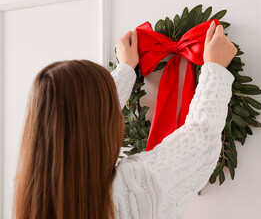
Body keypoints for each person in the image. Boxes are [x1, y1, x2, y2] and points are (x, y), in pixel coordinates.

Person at [12, 20, 237, 219]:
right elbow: (201, 137)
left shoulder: (28, 191)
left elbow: (82, 115)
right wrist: (214, 71)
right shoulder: (132, 187)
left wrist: (126, 70)